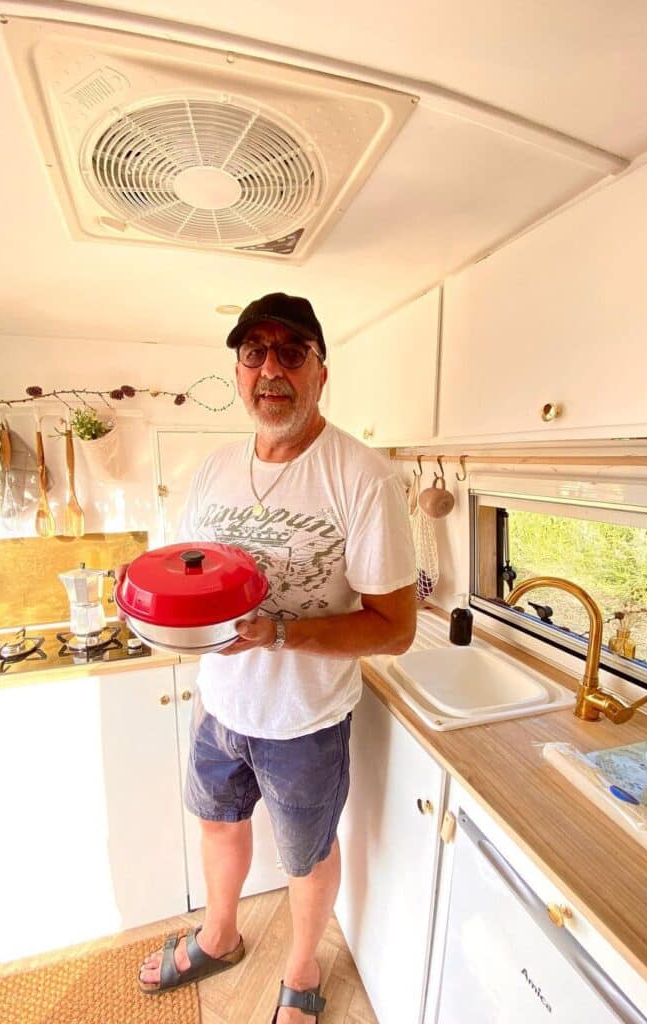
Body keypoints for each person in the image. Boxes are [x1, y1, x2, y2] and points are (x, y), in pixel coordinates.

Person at [137, 292, 417, 1023]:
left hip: (304, 721)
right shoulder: (211, 469)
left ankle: (300, 972)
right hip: (220, 703)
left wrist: (284, 634)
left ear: (321, 371)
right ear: (237, 372)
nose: (271, 369)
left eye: (291, 352)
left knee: (304, 854)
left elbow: (394, 628)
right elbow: (190, 576)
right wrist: (154, 608)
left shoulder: (362, 476)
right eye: (253, 352)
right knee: (219, 824)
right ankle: (221, 935)